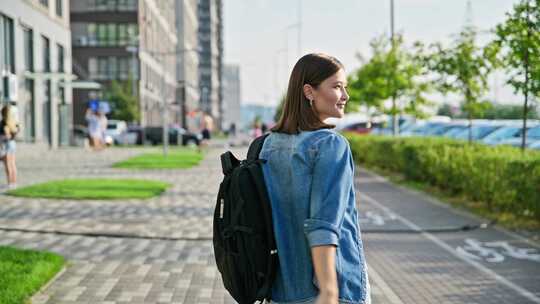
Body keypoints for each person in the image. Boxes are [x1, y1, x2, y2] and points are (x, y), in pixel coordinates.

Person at [259, 53, 371, 304]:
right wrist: (329, 292)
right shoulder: (330, 145)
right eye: (337, 87)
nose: (345, 96)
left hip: (282, 289)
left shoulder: (267, 145)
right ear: (309, 92)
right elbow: (323, 224)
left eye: (345, 88)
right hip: (333, 289)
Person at [0, 105, 18, 189]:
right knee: (13, 164)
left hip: (6, 144)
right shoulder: (13, 122)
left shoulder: (3, 123)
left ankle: (10, 183)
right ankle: (14, 182)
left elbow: (6, 135)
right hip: (13, 144)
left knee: (8, 165)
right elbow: (14, 133)